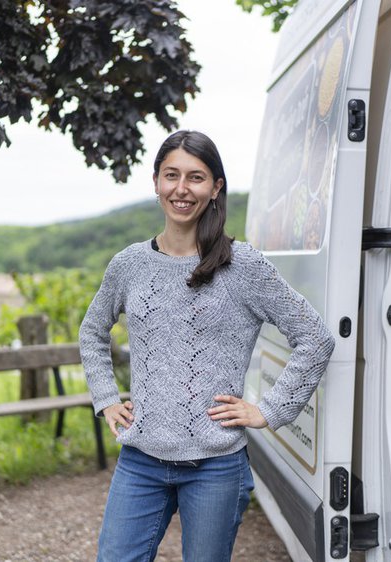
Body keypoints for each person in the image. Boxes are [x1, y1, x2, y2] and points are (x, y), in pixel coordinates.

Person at [79, 130, 335, 561]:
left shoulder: (243, 267)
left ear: (216, 188)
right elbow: (92, 331)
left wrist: (270, 411)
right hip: (141, 460)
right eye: (171, 175)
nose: (182, 189)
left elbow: (315, 337)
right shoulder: (129, 264)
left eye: (195, 178)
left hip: (216, 467)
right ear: (157, 183)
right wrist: (106, 399)